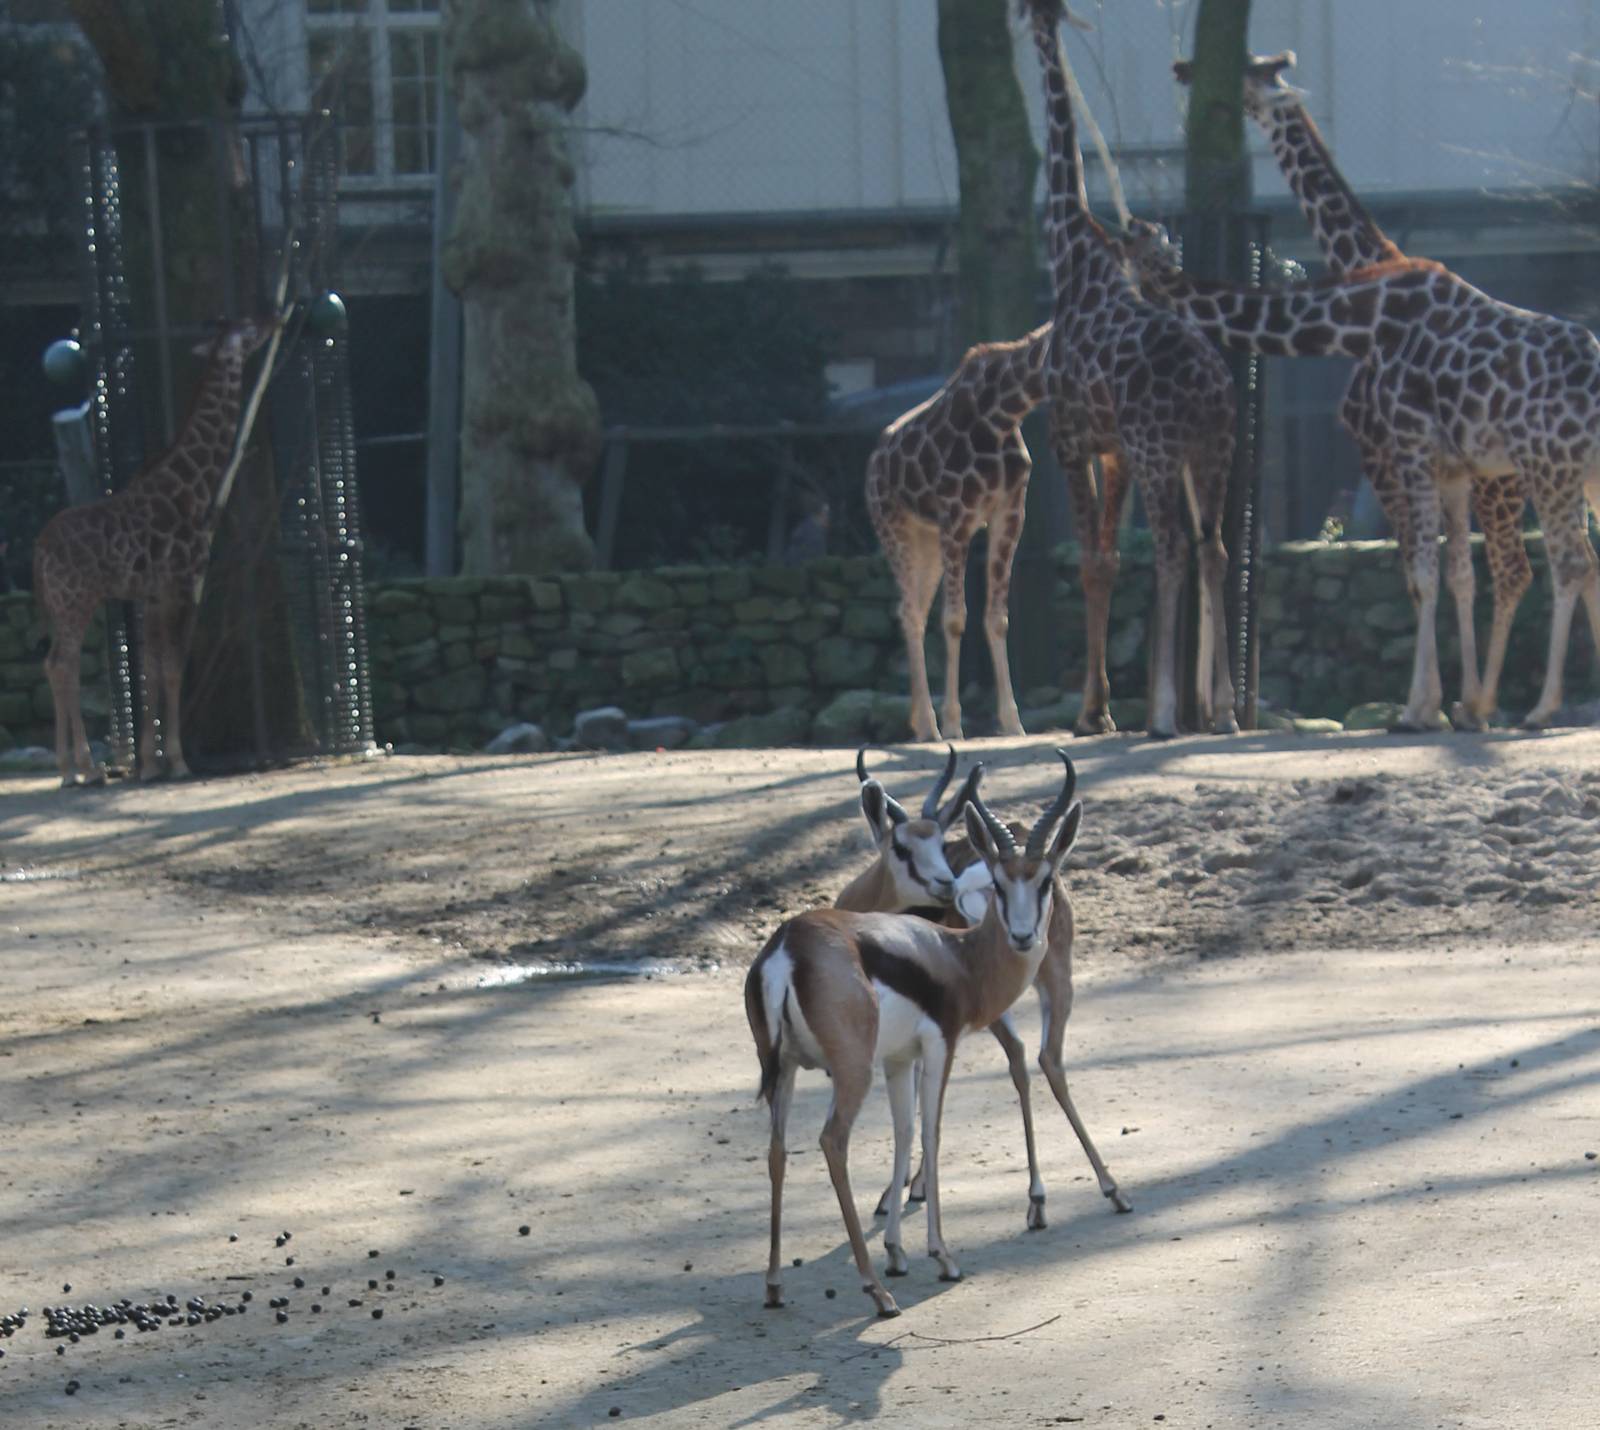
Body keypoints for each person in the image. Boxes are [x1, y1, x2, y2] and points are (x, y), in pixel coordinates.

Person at [783, 495, 829, 566]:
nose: (827, 516)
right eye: (825, 513)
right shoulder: (809, 531)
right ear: (818, 514)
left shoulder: (816, 530)